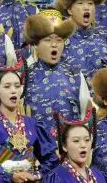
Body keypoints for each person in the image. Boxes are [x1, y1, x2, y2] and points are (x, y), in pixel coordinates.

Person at [23, 9, 89, 138]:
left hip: (70, 145)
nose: (54, 45)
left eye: (59, 40)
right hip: (37, 145)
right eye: (48, 40)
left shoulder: (75, 74)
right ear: (36, 44)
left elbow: (85, 114)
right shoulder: (26, 76)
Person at [57, 0, 107, 77]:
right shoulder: (59, 41)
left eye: (90, 3)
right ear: (70, 10)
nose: (86, 8)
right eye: (80, 3)